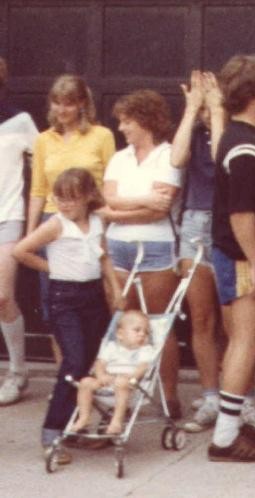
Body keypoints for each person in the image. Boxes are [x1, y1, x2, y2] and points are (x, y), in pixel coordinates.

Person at [13, 168, 123, 463]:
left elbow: (104, 256)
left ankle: (75, 424)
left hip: (93, 296)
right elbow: (21, 251)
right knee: (73, 362)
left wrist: (114, 289)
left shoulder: (97, 221)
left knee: (88, 361)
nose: (64, 205)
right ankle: (52, 432)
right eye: (59, 199)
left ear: (88, 197)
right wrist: (53, 269)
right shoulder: (55, 224)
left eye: (71, 199)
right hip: (65, 297)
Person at [207, 54, 255, 463]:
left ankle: (233, 426)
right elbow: (240, 213)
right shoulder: (246, 146)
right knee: (245, 343)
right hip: (241, 257)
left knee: (243, 342)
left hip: (236, 252)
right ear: (253, 94)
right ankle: (224, 438)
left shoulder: (239, 135)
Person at [102, 89, 183, 419]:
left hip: (155, 249)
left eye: (127, 121)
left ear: (146, 121)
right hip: (116, 248)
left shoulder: (168, 156)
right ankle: (122, 398)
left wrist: (118, 211)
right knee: (123, 324)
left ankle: (168, 396)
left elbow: (159, 211)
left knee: (158, 324)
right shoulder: (119, 158)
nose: (121, 128)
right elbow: (106, 201)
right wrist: (143, 201)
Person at [27, 74, 115, 364]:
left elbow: (110, 185)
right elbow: (38, 190)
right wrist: (31, 233)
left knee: (97, 300)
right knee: (56, 305)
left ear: (82, 104)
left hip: (91, 222)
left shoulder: (102, 136)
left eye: (69, 103)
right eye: (57, 102)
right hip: (54, 225)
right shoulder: (43, 140)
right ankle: (67, 375)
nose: (61, 109)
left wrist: (106, 224)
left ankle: (95, 373)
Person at [170, 70, 226, 432]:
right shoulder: (191, 131)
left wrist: (217, 112)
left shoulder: (233, 130)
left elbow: (222, 160)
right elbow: (176, 159)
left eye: (209, 104)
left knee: (232, 321)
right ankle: (210, 397)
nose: (205, 111)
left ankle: (236, 397)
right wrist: (191, 110)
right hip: (194, 224)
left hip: (226, 224)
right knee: (202, 318)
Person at [0, 57, 39, 406]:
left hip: (7, 217)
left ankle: (18, 372)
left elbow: (43, 164)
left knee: (2, 296)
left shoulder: (20, 121)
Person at [69, 310, 155, 435]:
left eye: (146, 332)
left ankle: (116, 422)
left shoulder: (145, 350)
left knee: (121, 382)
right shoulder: (111, 347)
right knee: (85, 382)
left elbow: (143, 367)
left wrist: (132, 377)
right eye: (137, 330)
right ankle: (84, 418)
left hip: (130, 385)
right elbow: (100, 363)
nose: (142, 334)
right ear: (120, 334)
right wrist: (101, 375)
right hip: (108, 382)